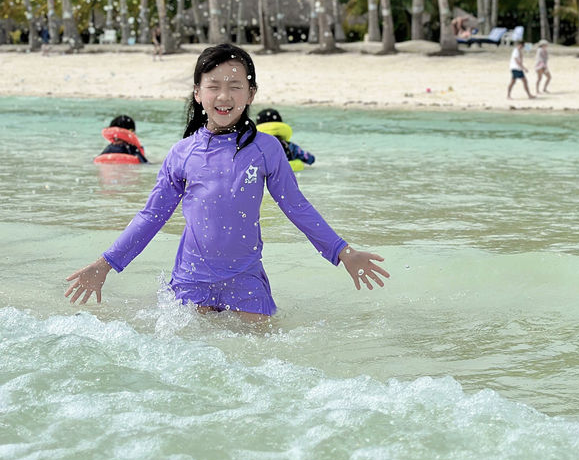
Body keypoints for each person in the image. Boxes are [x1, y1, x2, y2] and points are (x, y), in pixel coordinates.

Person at [66, 43, 389, 321]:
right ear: (197, 93)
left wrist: (342, 252)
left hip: (245, 280)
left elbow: (296, 206)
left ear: (251, 94)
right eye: (213, 85)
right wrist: (106, 264)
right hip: (191, 281)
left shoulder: (265, 149)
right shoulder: (182, 153)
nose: (224, 95)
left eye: (235, 85)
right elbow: (152, 216)